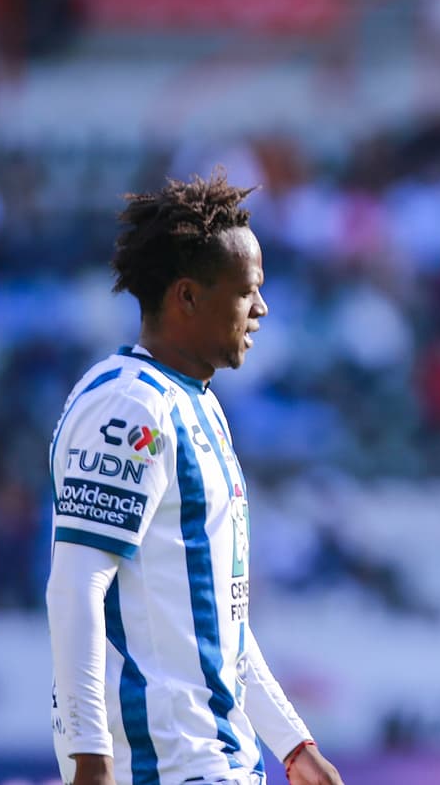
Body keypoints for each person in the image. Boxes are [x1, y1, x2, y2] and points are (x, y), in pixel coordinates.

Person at [45, 172, 345, 785]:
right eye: (247, 291)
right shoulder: (129, 407)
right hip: (164, 764)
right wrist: (89, 755)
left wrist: (292, 743)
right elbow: (75, 586)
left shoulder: (196, 404)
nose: (261, 309)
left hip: (217, 758)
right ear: (186, 296)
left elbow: (215, 617)